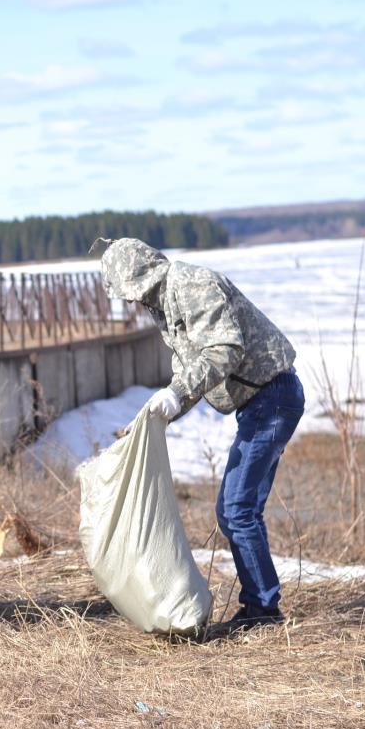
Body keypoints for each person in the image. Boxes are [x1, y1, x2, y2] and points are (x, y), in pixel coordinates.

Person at [98, 238, 302, 636]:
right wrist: (156, 417)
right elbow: (189, 370)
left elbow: (224, 349)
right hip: (259, 403)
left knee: (238, 508)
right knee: (233, 510)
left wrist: (176, 395)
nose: (131, 303)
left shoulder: (192, 285)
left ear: (141, 278)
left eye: (130, 294)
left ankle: (263, 611)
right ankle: (261, 605)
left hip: (273, 397)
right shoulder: (166, 305)